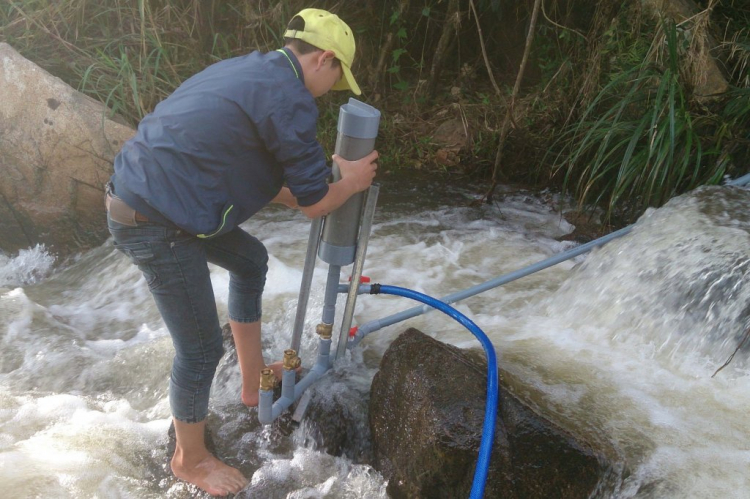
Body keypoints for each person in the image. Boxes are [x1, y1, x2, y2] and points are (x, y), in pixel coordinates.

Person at [104, 8, 377, 496]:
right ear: (325, 59)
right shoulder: (290, 97)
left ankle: (253, 383)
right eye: (337, 78)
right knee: (202, 347)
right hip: (154, 218)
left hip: (158, 196)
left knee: (250, 260)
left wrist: (313, 184)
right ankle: (189, 459)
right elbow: (315, 205)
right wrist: (351, 180)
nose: (331, 89)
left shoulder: (248, 70)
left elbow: (241, 164)